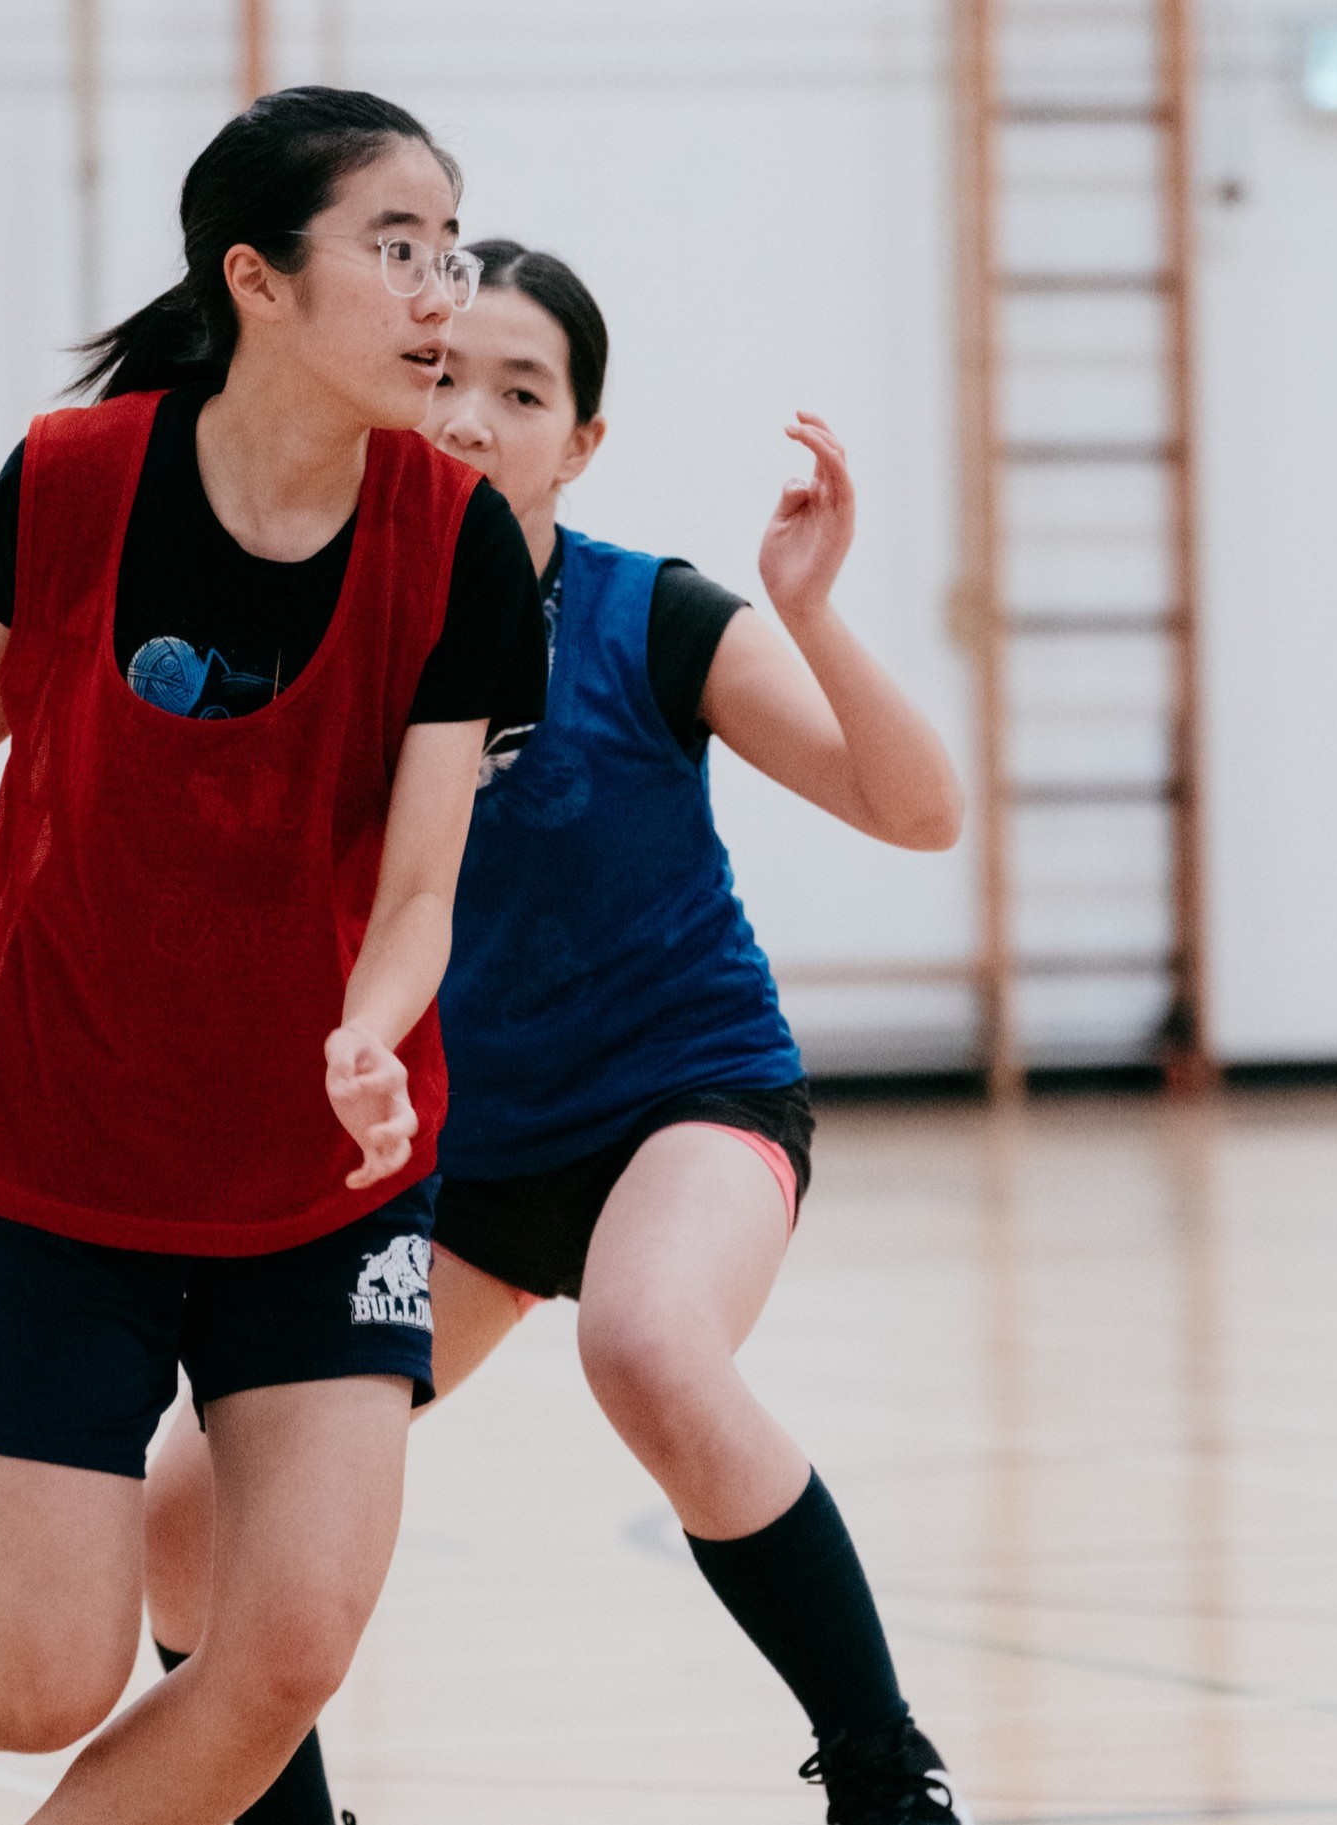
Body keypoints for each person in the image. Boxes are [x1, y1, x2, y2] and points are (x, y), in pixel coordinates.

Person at [0, 92, 545, 1825]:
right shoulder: (80, 479)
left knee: (290, 1646)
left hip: (320, 1161)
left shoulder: (456, 540)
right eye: (394, 249)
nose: (438, 297)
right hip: (67, 1126)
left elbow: (415, 894)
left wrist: (375, 1037)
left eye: (447, 252)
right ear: (256, 279)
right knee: (47, 1669)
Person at [143, 242, 970, 1825]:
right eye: (445, 374)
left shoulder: (653, 621)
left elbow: (917, 811)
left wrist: (807, 608)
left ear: (580, 441)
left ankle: (885, 1775)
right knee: (189, 1513)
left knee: (650, 1341)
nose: (470, 416)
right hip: (457, 1160)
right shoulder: (326, 639)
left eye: (522, 391)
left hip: (686, 1098)